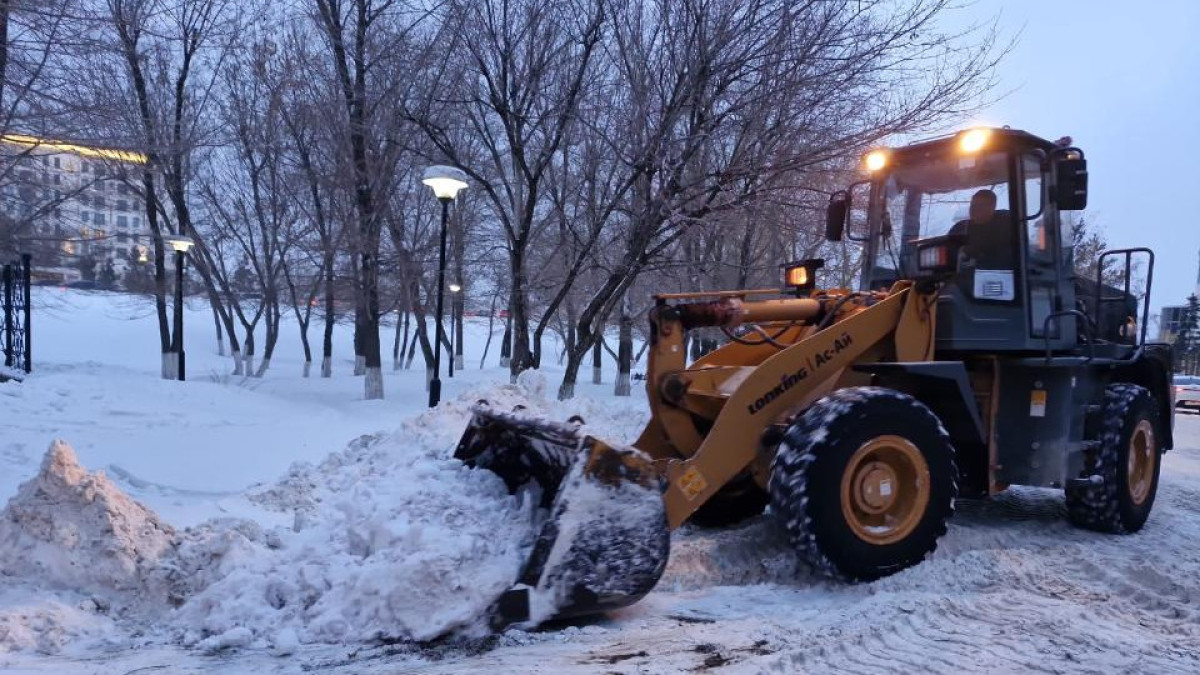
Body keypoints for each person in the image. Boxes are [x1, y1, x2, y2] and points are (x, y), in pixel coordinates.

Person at [950, 188, 1015, 270]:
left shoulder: (1007, 225)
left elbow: (1011, 259)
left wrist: (977, 259)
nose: (974, 209)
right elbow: (947, 254)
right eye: (972, 205)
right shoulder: (960, 228)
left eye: (980, 205)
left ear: (992, 207)